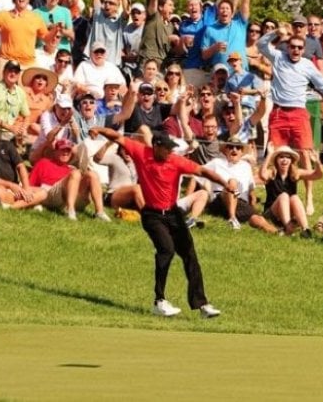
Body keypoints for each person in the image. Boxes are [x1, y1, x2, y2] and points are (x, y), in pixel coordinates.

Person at [92, 127, 231, 318]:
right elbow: (117, 137)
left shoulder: (175, 160)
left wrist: (225, 184)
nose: (170, 152)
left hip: (173, 214)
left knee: (190, 255)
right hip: (152, 215)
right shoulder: (141, 152)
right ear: (156, 146)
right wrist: (99, 129)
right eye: (167, 148)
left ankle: (202, 305)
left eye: (171, 149)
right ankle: (160, 301)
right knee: (166, 250)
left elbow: (202, 171)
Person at [258, 25, 323, 215]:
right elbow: (260, 44)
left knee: (306, 155)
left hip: (298, 113)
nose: (295, 50)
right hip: (279, 113)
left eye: (299, 47)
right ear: (287, 47)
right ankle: (273, 198)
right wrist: (276, 33)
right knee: (275, 155)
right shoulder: (278, 57)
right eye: (293, 46)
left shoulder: (308, 65)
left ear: (303, 50)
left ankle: (309, 198)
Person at [28, 138, 110, 221]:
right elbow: (29, 185)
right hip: (50, 194)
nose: (66, 153)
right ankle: (70, 210)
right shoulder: (44, 162)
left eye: (68, 150)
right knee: (75, 173)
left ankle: (100, 212)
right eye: (62, 150)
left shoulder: (71, 169)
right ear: (55, 151)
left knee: (92, 174)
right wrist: (37, 200)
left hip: (72, 198)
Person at [0, 120, 46, 209]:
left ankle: (13, 206)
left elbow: (20, 166)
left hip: (16, 186)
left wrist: (26, 188)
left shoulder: (7, 145)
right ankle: (28, 203)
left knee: (43, 192)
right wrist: (11, 186)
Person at [259, 146, 323, 238]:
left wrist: (317, 162)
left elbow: (318, 175)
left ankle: (306, 229)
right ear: (276, 160)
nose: (284, 160)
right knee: (284, 196)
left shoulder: (295, 173)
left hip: (288, 212)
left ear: (291, 160)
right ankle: (288, 227)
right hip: (271, 212)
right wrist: (269, 154)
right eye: (281, 157)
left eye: (287, 157)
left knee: (294, 197)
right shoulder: (271, 173)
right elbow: (262, 174)